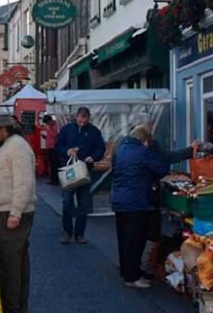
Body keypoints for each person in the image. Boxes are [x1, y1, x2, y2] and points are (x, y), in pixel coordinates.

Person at [111, 125, 182, 289]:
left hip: (119, 200)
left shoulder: (120, 149)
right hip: (136, 201)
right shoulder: (142, 152)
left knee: (124, 239)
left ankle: (127, 270)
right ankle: (132, 277)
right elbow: (161, 167)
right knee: (135, 239)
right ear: (144, 140)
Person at [0, 111, 36, 313]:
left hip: (17, 212)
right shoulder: (13, 145)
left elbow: (23, 182)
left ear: (3, 128)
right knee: (16, 260)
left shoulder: (16, 147)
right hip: (11, 210)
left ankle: (11, 311)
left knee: (9, 262)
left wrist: (14, 212)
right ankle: (18, 309)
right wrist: (0, 211)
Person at [55, 106, 105, 244]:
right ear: (76, 117)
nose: (82, 123)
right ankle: (67, 232)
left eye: (85, 121)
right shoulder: (66, 130)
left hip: (85, 170)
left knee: (83, 204)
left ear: (88, 119)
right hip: (69, 170)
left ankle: (79, 234)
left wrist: (93, 157)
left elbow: (101, 148)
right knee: (67, 203)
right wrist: (67, 151)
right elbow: (58, 146)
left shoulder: (94, 131)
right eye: (80, 121)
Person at [40, 115, 59, 186]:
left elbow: (55, 135)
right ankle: (52, 179)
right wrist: (45, 137)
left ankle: (56, 180)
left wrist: (49, 130)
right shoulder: (49, 127)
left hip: (54, 147)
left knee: (55, 164)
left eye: (47, 123)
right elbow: (50, 136)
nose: (47, 125)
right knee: (50, 164)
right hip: (49, 147)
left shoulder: (55, 125)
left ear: (50, 121)